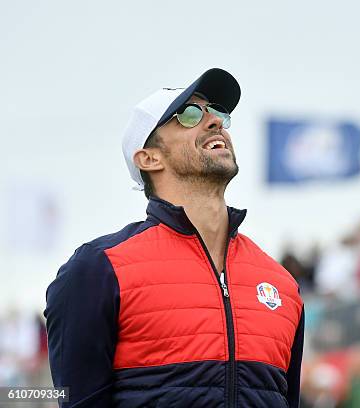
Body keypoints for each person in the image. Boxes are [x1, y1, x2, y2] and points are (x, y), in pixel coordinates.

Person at [44, 69, 305, 407]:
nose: (214, 121)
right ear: (148, 158)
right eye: (190, 115)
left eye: (216, 113)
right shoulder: (98, 269)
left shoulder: (282, 284)